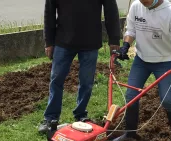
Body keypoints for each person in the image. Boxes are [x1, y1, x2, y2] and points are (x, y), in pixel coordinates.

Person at [112, 0, 171, 141]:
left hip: (164, 61)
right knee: (131, 96)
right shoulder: (137, 6)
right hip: (141, 60)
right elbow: (131, 30)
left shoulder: (170, 12)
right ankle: (130, 133)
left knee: (167, 100)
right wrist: (126, 45)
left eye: (146, 1)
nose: (144, 3)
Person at [38, 0, 121, 133]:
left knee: (86, 82)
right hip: (63, 40)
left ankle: (81, 114)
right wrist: (49, 41)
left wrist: (114, 38)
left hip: (90, 41)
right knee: (56, 79)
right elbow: (49, 12)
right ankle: (51, 117)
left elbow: (110, 9)